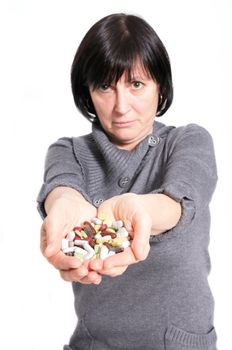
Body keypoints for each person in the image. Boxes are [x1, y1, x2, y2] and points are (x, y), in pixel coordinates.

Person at [37, 13, 218, 350]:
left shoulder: (188, 142)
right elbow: (62, 192)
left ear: (159, 86)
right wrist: (65, 206)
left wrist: (137, 209)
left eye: (136, 84)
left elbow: (180, 202)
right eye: (105, 86)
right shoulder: (69, 151)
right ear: (87, 91)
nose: (121, 106)